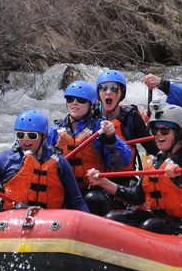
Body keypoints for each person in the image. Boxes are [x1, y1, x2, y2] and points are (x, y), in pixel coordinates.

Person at [86, 104, 182, 237]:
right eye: (155, 129)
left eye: (165, 130)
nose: (158, 134)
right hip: (162, 218)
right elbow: (137, 198)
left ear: (179, 133)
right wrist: (104, 182)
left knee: (151, 226)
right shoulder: (157, 161)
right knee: (112, 217)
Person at [0, 109, 89, 217]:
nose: (25, 139)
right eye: (20, 134)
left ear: (44, 137)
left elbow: (76, 201)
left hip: (49, 224)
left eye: (31, 135)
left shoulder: (60, 162)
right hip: (11, 222)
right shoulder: (5, 160)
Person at [47, 80, 132, 215]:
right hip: (63, 189)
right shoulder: (55, 130)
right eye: (70, 99)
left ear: (90, 105)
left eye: (80, 100)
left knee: (95, 200)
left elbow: (122, 162)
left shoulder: (101, 128)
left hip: (91, 190)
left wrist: (111, 139)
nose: (74, 103)